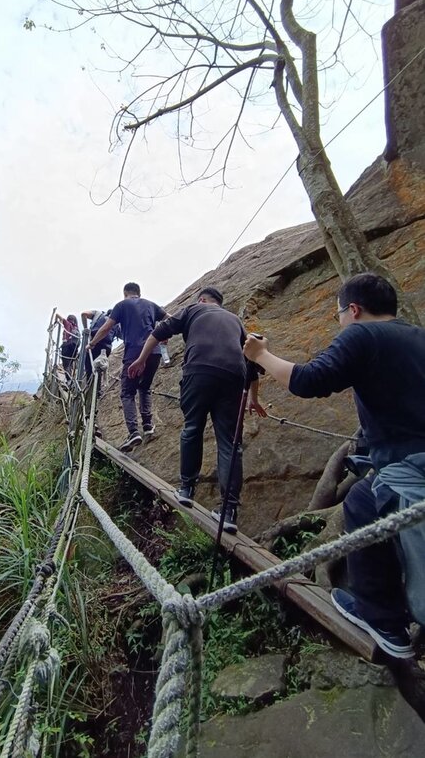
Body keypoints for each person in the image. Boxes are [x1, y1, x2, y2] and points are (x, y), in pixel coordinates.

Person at [243, 272, 425, 659]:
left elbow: (310, 381)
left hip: (407, 466)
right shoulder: (417, 336)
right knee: (360, 498)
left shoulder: (362, 335)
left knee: (365, 504)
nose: (340, 322)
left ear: (354, 310)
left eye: (339, 315)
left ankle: (385, 622)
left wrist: (259, 356)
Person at [128, 286, 266, 533]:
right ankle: (229, 511)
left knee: (192, 428)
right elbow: (252, 362)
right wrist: (253, 399)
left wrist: (141, 359)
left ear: (202, 299)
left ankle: (187, 489)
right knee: (231, 444)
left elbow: (157, 333)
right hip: (234, 377)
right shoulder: (235, 320)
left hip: (199, 372)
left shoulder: (193, 308)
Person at [88, 282, 166, 452]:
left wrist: (92, 343)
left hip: (134, 354)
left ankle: (133, 432)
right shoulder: (152, 305)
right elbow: (170, 318)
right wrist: (163, 334)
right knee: (145, 387)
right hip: (154, 352)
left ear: (125, 293)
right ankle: (147, 425)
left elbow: (106, 327)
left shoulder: (122, 305)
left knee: (127, 392)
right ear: (139, 292)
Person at [81, 309, 115, 377]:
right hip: (107, 348)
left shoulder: (98, 314)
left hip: (94, 344)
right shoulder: (116, 322)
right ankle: (97, 386)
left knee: (90, 369)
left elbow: (83, 314)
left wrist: (86, 329)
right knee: (98, 369)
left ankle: (91, 385)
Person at [55, 313, 80, 381]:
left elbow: (57, 315)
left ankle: (69, 381)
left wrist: (55, 322)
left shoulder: (67, 323)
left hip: (66, 346)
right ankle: (71, 379)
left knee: (66, 365)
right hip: (74, 348)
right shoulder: (76, 328)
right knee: (70, 364)